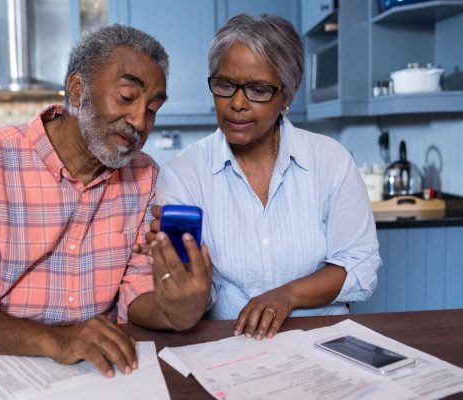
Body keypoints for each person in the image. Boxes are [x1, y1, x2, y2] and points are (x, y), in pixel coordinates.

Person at [0, 24, 212, 378]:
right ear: (77, 89)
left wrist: (177, 310)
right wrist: (56, 341)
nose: (140, 121)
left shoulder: (145, 177)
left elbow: (138, 289)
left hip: (100, 371)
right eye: (128, 96)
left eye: (153, 108)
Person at [137, 14, 380, 341]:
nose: (237, 103)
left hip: (324, 340)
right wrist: (178, 270)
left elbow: (360, 266)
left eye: (258, 89)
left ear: (287, 94)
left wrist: (286, 295)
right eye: (225, 84)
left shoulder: (330, 160)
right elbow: (195, 295)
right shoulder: (185, 173)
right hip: (229, 343)